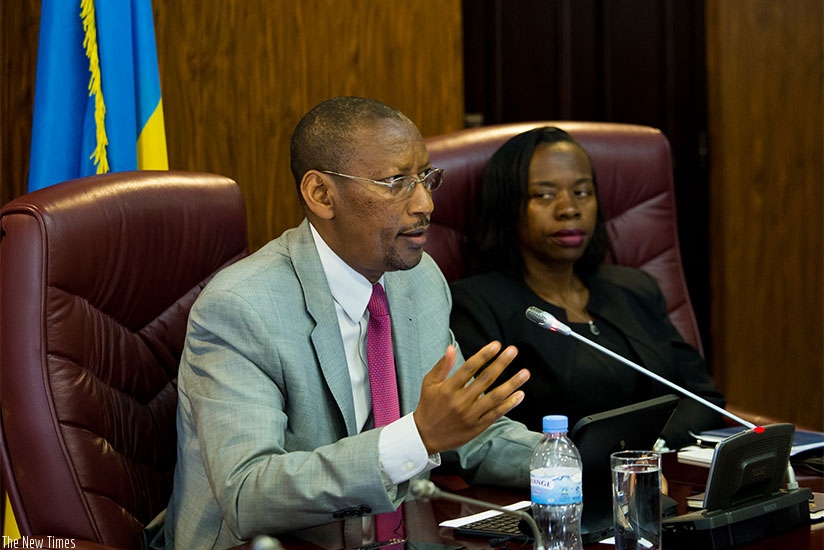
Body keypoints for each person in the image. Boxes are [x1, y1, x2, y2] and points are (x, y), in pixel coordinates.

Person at [162, 97, 541, 549]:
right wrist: (416, 436)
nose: (425, 204)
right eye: (396, 182)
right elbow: (249, 493)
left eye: (426, 178)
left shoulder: (418, 280)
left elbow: (465, 432)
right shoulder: (241, 307)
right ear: (321, 194)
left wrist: (568, 459)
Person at [450, 126, 726, 450]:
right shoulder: (477, 305)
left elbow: (703, 399)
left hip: (664, 476)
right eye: (544, 195)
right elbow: (483, 432)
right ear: (508, 206)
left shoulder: (634, 287)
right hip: (555, 486)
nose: (569, 209)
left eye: (582, 192)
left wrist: (650, 447)